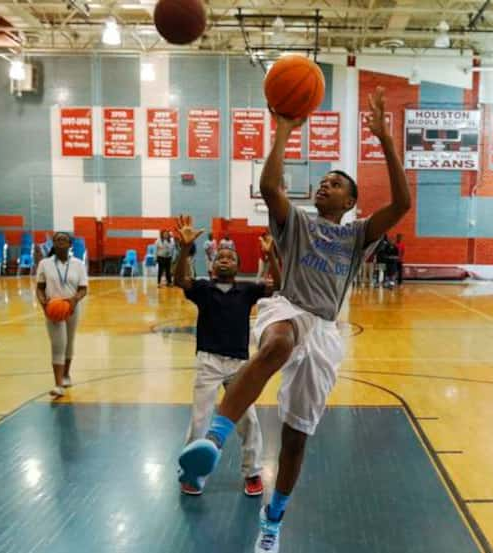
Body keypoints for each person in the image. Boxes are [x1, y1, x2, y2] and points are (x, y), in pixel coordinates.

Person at [178, 87, 410, 553]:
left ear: (350, 202)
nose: (326, 184)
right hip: (288, 308)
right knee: (279, 342)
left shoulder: (358, 235)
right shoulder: (297, 223)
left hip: (325, 330)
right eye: (323, 180)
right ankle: (214, 442)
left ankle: (274, 518)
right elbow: (270, 188)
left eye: (337, 183)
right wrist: (283, 128)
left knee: (296, 439)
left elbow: (402, 204)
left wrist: (385, 140)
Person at [173, 215, 281, 497]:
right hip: (208, 361)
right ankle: (193, 473)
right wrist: (185, 249)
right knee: (200, 419)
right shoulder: (202, 289)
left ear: (239, 267)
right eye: (219, 257)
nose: (224, 259)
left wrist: (271, 257)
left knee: (249, 420)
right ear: (211, 265)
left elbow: (278, 285)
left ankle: (253, 471)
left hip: (240, 366)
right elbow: (178, 279)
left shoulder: (247, 290)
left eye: (230, 257)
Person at [35, 232, 89, 398]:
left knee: (69, 343)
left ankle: (66, 374)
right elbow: (40, 287)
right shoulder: (44, 264)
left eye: (64, 240)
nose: (60, 242)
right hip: (53, 308)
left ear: (70, 245)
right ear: (54, 244)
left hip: (72, 307)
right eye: (57, 240)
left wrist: (74, 300)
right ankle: (58, 384)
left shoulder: (78, 264)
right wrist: (44, 303)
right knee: (58, 344)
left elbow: (83, 288)